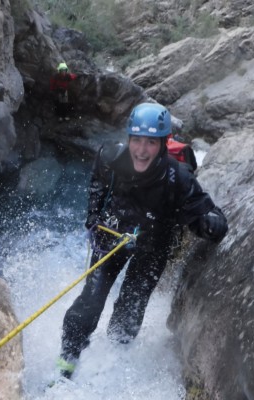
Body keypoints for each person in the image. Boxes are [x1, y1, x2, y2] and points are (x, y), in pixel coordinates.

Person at [59, 102, 228, 378]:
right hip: (111, 236)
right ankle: (66, 363)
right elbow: (97, 183)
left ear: (163, 143)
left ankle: (113, 363)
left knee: (130, 308)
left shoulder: (178, 177)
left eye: (150, 142)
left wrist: (211, 225)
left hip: (153, 245)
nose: (141, 149)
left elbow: (205, 213)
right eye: (136, 140)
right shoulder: (110, 157)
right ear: (129, 139)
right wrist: (93, 217)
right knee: (89, 303)